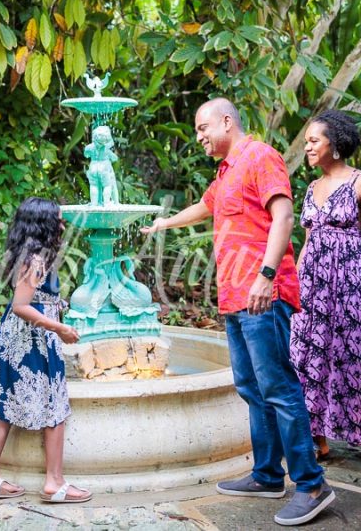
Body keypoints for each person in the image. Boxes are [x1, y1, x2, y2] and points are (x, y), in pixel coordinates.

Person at [141, 98, 335, 526]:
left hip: (264, 294)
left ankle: (312, 484)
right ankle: (268, 476)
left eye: (202, 127)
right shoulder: (227, 169)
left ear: (228, 121)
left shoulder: (259, 156)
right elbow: (206, 207)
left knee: (279, 387)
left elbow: (284, 216)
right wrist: (163, 223)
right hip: (235, 298)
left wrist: (266, 275)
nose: (199, 136)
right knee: (251, 388)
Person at [0, 197, 91, 503]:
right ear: (45, 224)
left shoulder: (33, 255)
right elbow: (21, 306)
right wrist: (59, 327)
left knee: (6, 405)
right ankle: (54, 482)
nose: (63, 224)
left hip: (24, 337)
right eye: (59, 219)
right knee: (55, 405)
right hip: (31, 339)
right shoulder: (37, 260)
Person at [290, 109, 361, 467]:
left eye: (314, 141)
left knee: (355, 357)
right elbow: (307, 241)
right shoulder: (311, 187)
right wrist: (293, 288)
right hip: (313, 286)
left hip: (352, 284)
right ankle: (317, 437)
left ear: (335, 142)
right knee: (308, 357)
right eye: (307, 143)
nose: (308, 148)